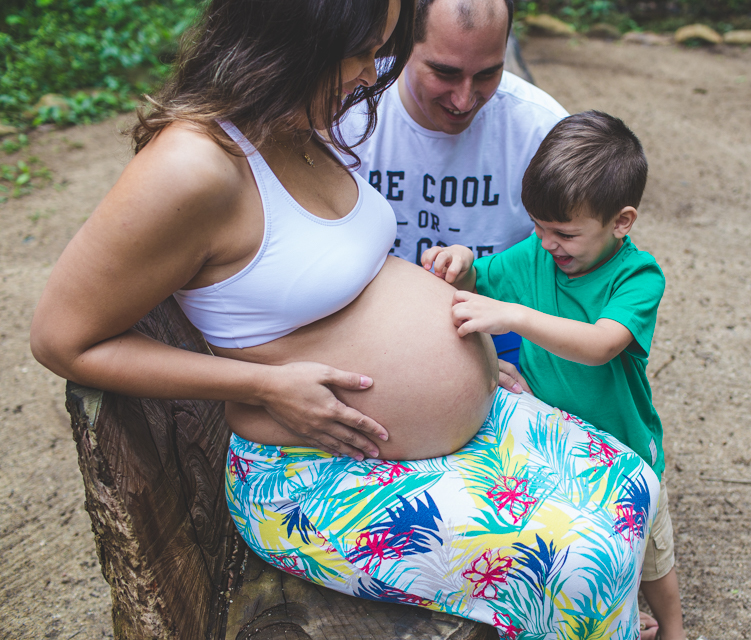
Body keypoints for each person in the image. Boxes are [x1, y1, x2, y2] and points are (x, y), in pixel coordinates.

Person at [29, 1, 660, 637]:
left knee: (631, 485)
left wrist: (460, 360)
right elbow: (62, 340)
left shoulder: (300, 121)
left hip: (418, 436)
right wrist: (262, 385)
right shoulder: (190, 166)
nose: (374, 73)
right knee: (582, 562)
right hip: (310, 472)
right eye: (361, 52)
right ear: (292, 38)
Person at [422, 110, 687, 640]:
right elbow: (485, 277)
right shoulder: (541, 253)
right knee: (582, 545)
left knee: (648, 551)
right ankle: (616, 616)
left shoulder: (637, 276)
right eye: (538, 227)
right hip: (556, 441)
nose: (546, 244)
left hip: (624, 447)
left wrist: (515, 317)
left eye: (563, 232)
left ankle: (674, 628)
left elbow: (600, 345)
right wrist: (460, 260)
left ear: (622, 222)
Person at [339, 0, 568, 369]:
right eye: (444, 73)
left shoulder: (542, 132)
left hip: (503, 343)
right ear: (402, 45)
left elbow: (589, 265)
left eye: (487, 74)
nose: (464, 99)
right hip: (363, 338)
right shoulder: (346, 112)